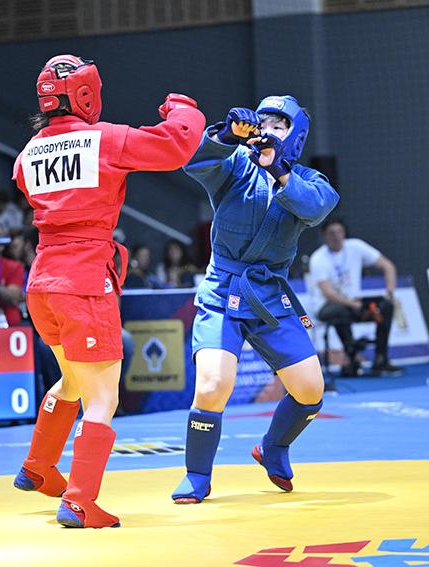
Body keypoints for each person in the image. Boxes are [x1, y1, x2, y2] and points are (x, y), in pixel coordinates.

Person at [10, 54, 204, 528]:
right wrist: (183, 108)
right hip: (83, 282)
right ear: (85, 94)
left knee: (73, 380)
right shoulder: (105, 139)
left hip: (43, 282)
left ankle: (37, 467)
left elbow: (27, 187)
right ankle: (80, 501)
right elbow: (177, 145)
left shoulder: (28, 152)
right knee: (102, 399)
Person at [171, 96, 338, 504]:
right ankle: (197, 475)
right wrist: (226, 136)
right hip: (222, 290)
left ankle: (273, 447)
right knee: (213, 384)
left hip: (269, 296)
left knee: (310, 390)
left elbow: (317, 208)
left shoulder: (309, 180)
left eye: (279, 125)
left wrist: (278, 168)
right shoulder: (234, 163)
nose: (268, 130)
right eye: (263, 123)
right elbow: (195, 162)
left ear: (295, 136)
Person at [307, 218, 404, 376]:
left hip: (355, 303)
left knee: (386, 306)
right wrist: (353, 304)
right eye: (331, 233)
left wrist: (390, 292)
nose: (336, 236)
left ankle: (381, 359)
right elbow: (328, 293)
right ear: (324, 236)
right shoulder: (318, 258)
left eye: (339, 232)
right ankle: (351, 356)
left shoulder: (356, 247)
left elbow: (388, 266)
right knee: (340, 311)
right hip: (327, 305)